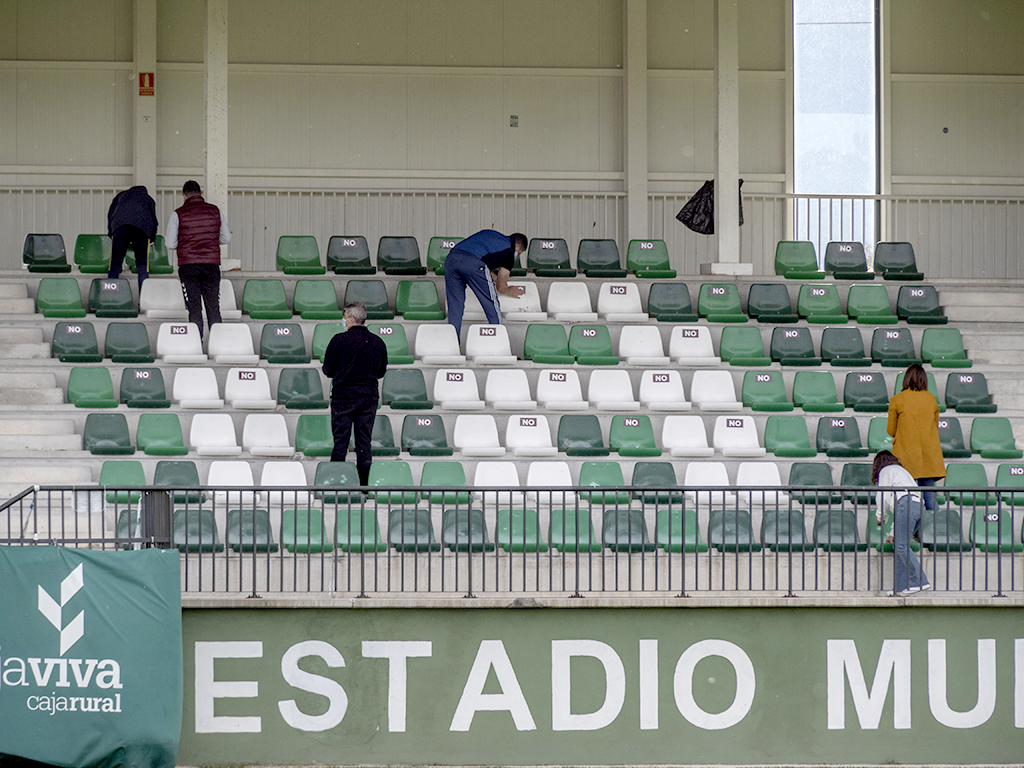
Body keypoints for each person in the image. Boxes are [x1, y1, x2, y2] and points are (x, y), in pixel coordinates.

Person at [322, 302, 389, 486]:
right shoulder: (377, 342)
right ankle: (364, 486)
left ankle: (336, 484)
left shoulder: (339, 340)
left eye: (344, 316)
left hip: (343, 398)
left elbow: (328, 370)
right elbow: (381, 372)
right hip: (368, 398)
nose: (343, 320)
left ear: (351, 318)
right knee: (364, 444)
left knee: (340, 443)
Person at [165, 180, 232, 339]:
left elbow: (170, 243)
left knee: (194, 308)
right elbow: (226, 238)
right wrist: (210, 241)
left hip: (188, 266)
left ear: (183, 195)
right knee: (213, 307)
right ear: (201, 193)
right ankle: (218, 344)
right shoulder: (215, 211)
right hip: (211, 265)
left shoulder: (178, 214)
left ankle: (196, 343)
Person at [444, 229, 527, 341]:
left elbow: (484, 266)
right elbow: (501, 287)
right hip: (473, 263)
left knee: (455, 306)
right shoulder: (509, 251)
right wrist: (509, 290)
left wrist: (496, 278)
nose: (517, 255)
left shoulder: (493, 236)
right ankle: (498, 340)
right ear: (518, 246)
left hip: (451, 259)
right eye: (519, 253)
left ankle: (452, 343)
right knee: (491, 303)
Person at [872, 450, 931, 596]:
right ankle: (900, 589)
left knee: (901, 546)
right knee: (899, 546)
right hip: (918, 506)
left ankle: (919, 582)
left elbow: (883, 495)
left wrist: (880, 516)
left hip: (907, 504)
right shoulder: (902, 472)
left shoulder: (886, 470)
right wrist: (892, 533)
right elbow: (900, 510)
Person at [887, 363, 945, 510]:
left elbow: (891, 430)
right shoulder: (931, 399)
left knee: (907, 499)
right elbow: (935, 427)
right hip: (929, 456)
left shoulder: (897, 400)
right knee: (930, 498)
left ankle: (910, 526)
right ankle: (935, 525)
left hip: (906, 456)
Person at [107, 185, 158, 290]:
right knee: (142, 264)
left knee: (115, 263)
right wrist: (152, 238)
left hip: (120, 228)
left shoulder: (121, 196)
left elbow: (110, 214)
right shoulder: (148, 199)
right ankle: (144, 296)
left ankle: (110, 294)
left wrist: (111, 233)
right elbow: (154, 221)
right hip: (141, 230)